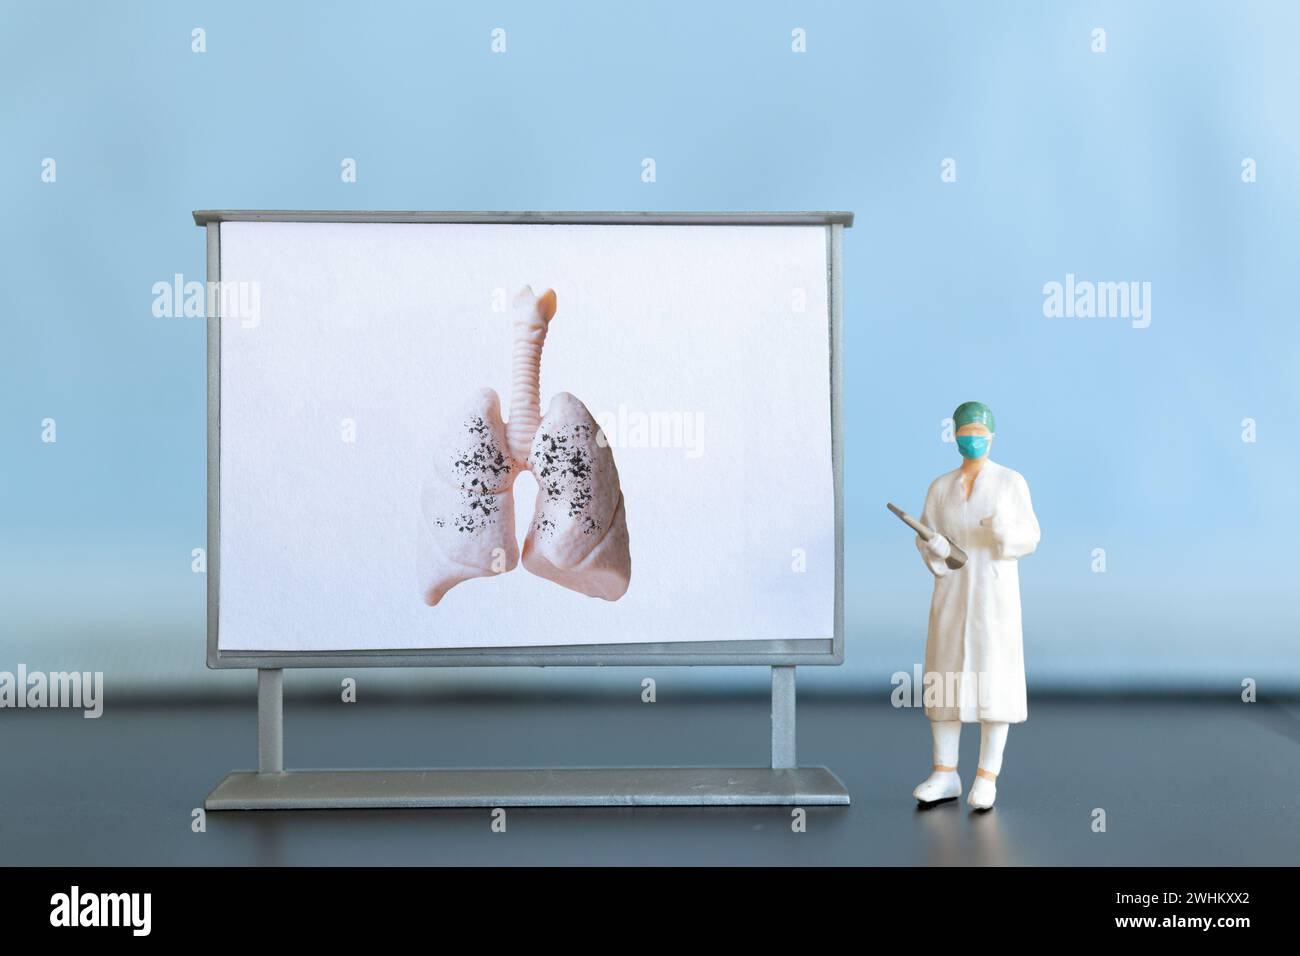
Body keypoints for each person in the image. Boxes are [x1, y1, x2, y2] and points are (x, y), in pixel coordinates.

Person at [911, 401, 1040, 810]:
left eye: (978, 434)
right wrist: (932, 546)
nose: (971, 440)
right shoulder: (940, 487)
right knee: (945, 679)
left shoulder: (1009, 483)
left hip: (993, 597)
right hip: (952, 595)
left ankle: (987, 777)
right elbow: (928, 536)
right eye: (964, 433)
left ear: (991, 436)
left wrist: (1005, 534)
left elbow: (1030, 535)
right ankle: (945, 773)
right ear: (954, 435)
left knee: (993, 683)